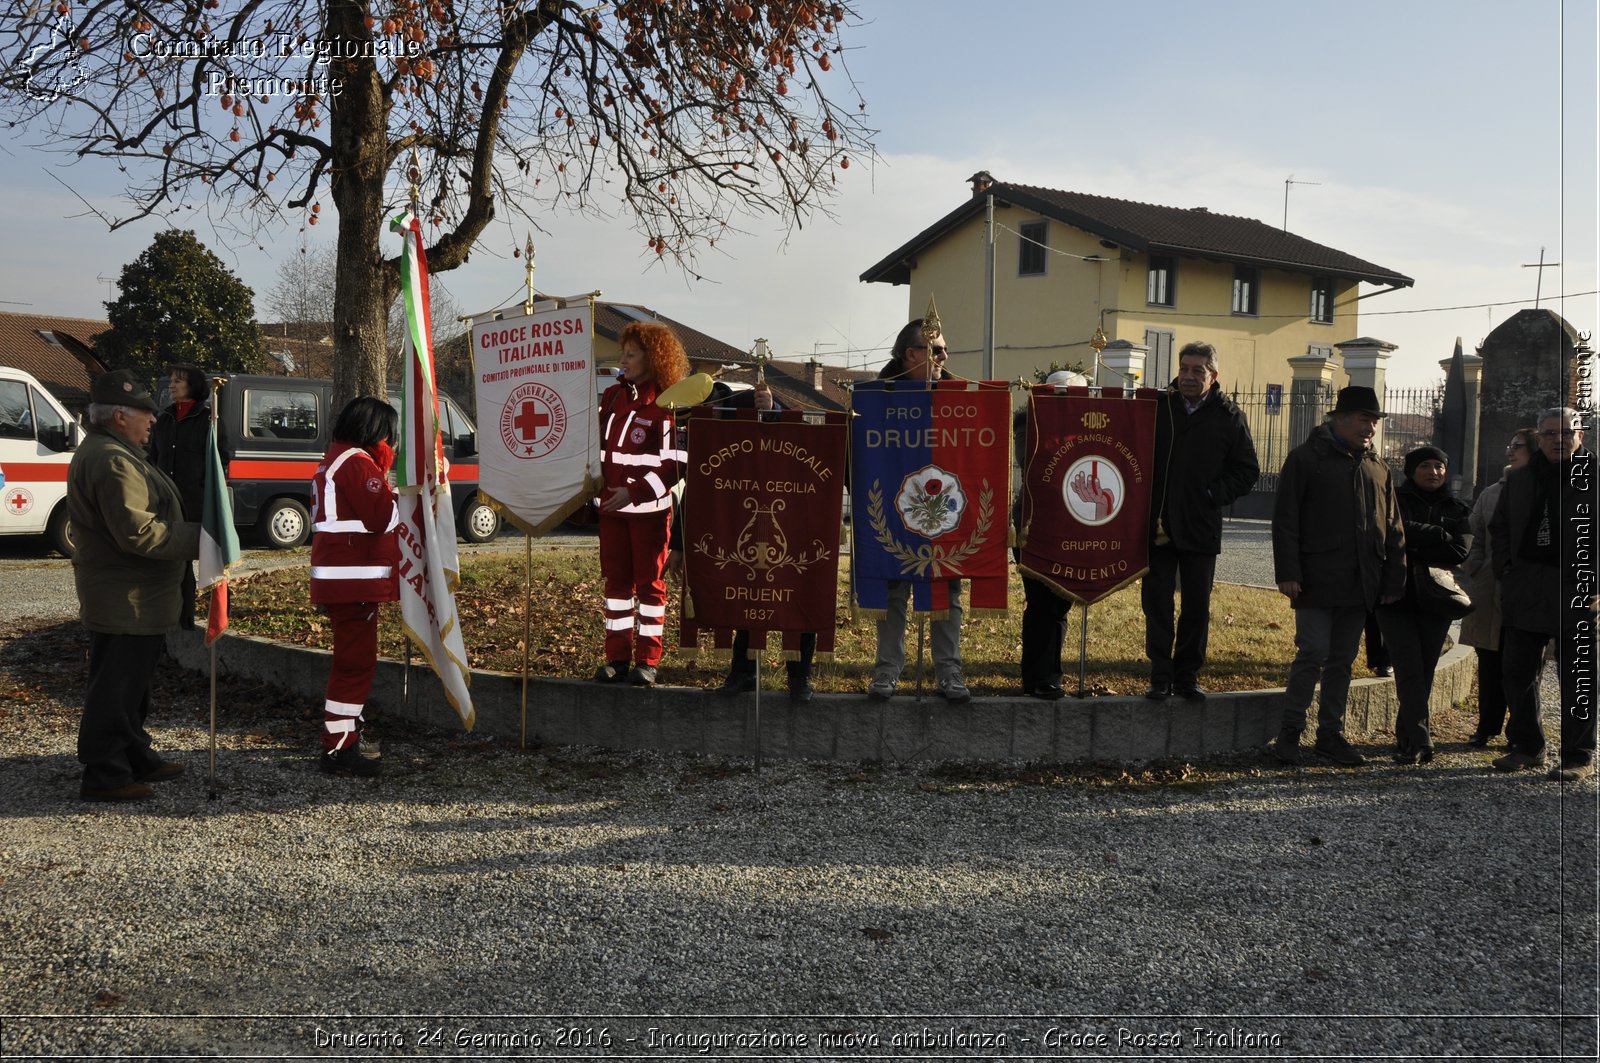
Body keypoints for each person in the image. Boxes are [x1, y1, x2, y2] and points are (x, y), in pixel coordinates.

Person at [67, 369, 201, 801]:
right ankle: (105, 773)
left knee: (132, 684)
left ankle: (133, 754)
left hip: (134, 596)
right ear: (120, 416)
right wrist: (204, 537)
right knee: (117, 687)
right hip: (126, 597)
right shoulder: (111, 459)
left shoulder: (119, 452)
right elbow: (139, 532)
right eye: (146, 412)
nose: (153, 420)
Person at [1269, 385, 1405, 767]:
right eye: (1365, 420)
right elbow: (1285, 520)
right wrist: (1288, 572)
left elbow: (1393, 526)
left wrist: (1393, 580)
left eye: (1375, 422)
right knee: (1312, 653)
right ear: (1340, 419)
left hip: (1360, 582)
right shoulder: (1305, 459)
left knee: (1342, 661)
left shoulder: (1378, 467)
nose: (1371, 429)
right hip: (1314, 579)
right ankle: (1289, 735)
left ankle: (1330, 736)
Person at [668, 382, 820, 702]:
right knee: (747, 603)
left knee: (797, 600)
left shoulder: (755, 402)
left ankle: (799, 676)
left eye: (692, 421)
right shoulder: (711, 431)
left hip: (791, 525)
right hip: (740, 530)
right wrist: (678, 545)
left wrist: (772, 412)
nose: (690, 429)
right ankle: (743, 673)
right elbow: (695, 489)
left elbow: (809, 437)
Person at [1142, 342, 1259, 701]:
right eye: (1185, 368)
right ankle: (1160, 676)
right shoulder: (1160, 409)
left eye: (1198, 370)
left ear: (1213, 375)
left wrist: (1213, 494)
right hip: (1158, 525)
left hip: (1201, 526)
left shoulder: (1229, 416)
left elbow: (1247, 469)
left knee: (1196, 606)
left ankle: (1187, 676)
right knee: (1158, 603)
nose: (1189, 377)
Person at [1490, 406, 1597, 780]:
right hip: (1526, 588)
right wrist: (1506, 568)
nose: (1559, 440)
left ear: (1580, 435)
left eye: (1567, 433)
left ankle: (1578, 756)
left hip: (1578, 591)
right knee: (1517, 671)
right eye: (1550, 433)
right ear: (1539, 437)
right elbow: (1499, 527)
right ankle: (1527, 747)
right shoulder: (1519, 479)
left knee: (1578, 676)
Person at [868, 317, 969, 704]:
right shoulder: (877, 398)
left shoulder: (960, 397)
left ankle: (949, 672)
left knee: (946, 591)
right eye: (936, 348)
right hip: (893, 509)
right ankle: (887, 673)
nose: (945, 355)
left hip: (943, 509)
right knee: (894, 591)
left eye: (944, 348)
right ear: (912, 354)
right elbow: (859, 456)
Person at [595, 321, 690, 687]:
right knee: (616, 586)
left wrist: (634, 493)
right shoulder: (613, 397)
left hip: (648, 513)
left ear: (653, 358)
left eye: (631, 354)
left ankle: (647, 661)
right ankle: (616, 658)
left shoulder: (670, 401)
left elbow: (677, 463)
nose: (623, 360)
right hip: (611, 510)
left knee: (649, 587)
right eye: (624, 353)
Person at [309, 396, 400, 776]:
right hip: (353, 581)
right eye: (389, 434)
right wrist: (393, 484)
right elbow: (382, 516)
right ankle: (339, 747)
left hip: (341, 580)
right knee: (355, 664)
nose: (392, 442)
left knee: (352, 661)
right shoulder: (357, 463)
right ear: (375, 430)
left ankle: (345, 735)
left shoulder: (335, 459)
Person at [1377, 446, 1472, 764]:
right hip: (1396, 597)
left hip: (1437, 599)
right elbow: (1392, 533)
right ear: (1411, 470)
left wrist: (1418, 540)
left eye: (1439, 467)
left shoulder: (1457, 507)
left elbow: (1460, 551)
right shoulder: (1394, 500)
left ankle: (1407, 737)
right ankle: (1421, 740)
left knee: (1424, 669)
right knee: (1407, 668)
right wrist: (1437, 534)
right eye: (1425, 466)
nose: (1433, 472)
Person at [1458, 428, 1535, 747]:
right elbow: (1472, 533)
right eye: (1509, 445)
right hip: (1489, 591)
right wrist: (1474, 567)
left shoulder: (1545, 490)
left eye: (1517, 446)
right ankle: (1486, 726)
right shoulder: (1491, 493)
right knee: (1489, 663)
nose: (1509, 451)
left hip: (1527, 594)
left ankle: (1521, 733)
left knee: (1522, 669)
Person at [1014, 369, 1087, 700]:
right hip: (1035, 524)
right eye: (1067, 395)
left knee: (1059, 604)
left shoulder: (1083, 425)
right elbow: (1036, 463)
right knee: (1043, 602)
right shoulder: (1027, 423)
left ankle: (1044, 675)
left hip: (1071, 523)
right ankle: (1042, 678)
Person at [147, 364, 231, 629]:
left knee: (211, 559)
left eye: (178, 381)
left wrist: (205, 490)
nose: (172, 386)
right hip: (166, 502)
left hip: (197, 502)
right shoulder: (164, 419)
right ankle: (182, 618)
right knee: (177, 563)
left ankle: (222, 613)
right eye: (171, 381)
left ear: (192, 385)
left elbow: (221, 460)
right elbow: (153, 457)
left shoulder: (209, 419)